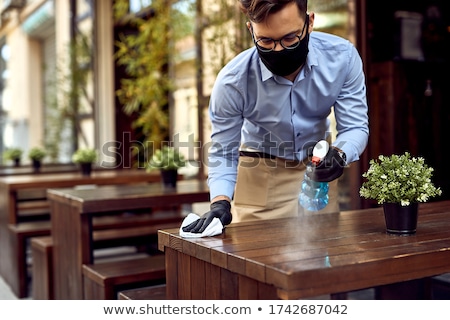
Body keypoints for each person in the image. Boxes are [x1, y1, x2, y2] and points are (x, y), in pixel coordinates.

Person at [183, 0, 369, 233]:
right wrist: (220, 201)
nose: (279, 50)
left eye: (290, 38)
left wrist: (340, 154)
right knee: (254, 263)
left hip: (318, 178)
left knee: (323, 258)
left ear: (309, 23)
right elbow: (223, 150)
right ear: (251, 30)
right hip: (261, 179)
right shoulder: (233, 81)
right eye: (266, 41)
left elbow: (355, 127)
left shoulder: (342, 59)